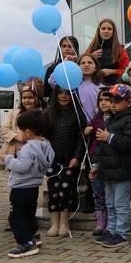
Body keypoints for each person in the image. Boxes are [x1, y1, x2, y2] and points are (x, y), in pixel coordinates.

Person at [90, 84, 131, 248]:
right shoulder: (111, 119)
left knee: (120, 204)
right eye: (112, 100)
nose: (113, 103)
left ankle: (122, 233)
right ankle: (111, 231)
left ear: (128, 101)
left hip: (123, 169)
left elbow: (130, 142)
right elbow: (100, 145)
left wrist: (110, 137)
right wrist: (96, 165)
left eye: (117, 100)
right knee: (110, 203)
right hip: (108, 170)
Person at [4, 109, 54, 258]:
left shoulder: (28, 148)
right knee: (28, 213)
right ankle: (33, 236)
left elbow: (22, 166)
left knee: (16, 216)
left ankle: (25, 243)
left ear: (28, 132)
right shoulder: (46, 145)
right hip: (33, 186)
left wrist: (9, 159)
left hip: (20, 187)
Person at [45, 87, 86, 237]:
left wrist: (77, 157)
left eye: (67, 94)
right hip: (52, 159)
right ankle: (54, 223)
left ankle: (64, 222)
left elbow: (81, 139)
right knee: (53, 191)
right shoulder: (48, 113)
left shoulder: (78, 113)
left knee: (66, 190)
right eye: (61, 93)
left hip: (70, 159)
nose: (64, 96)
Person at [85, 88, 112, 234]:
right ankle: (100, 221)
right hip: (94, 158)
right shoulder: (95, 120)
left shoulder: (116, 119)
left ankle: (110, 222)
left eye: (107, 99)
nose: (104, 102)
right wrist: (86, 132)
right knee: (98, 192)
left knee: (109, 192)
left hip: (109, 159)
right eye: (101, 100)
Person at [0, 81, 44, 159]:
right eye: (24, 98)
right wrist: (16, 136)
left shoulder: (42, 115)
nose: (26, 101)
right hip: (13, 155)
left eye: (30, 97)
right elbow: (3, 130)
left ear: (37, 98)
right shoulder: (15, 113)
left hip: (33, 155)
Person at [85, 19, 129, 85]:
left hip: (114, 87)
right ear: (99, 31)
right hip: (94, 85)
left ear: (113, 31)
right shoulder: (91, 48)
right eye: (103, 28)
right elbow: (82, 67)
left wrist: (113, 71)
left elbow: (127, 71)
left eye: (109, 29)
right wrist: (91, 58)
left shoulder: (120, 50)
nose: (106, 31)